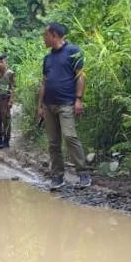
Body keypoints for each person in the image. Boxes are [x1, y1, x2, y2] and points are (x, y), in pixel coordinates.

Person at [37, 22, 91, 190]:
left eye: (45, 35)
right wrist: (39, 105)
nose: (43, 39)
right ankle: (58, 176)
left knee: (69, 136)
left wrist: (79, 99)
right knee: (53, 142)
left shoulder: (73, 52)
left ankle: (83, 173)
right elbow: (44, 83)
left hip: (66, 103)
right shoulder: (48, 58)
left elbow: (81, 76)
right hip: (48, 105)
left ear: (53, 35)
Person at [0, 53, 16, 149]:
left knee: (5, 120)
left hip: (4, 100)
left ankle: (6, 141)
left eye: (1, 62)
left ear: (6, 62)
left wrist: (11, 100)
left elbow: (14, 88)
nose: (0, 64)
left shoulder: (10, 73)